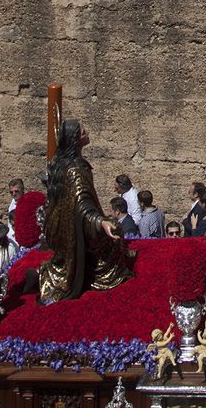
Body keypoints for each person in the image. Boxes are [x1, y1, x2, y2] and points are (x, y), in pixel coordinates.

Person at [37, 119, 134, 301]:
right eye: (83, 132)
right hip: (77, 229)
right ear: (75, 139)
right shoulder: (75, 170)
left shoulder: (70, 164)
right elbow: (82, 206)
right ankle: (95, 272)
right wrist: (102, 222)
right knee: (115, 234)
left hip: (74, 225)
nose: (87, 132)